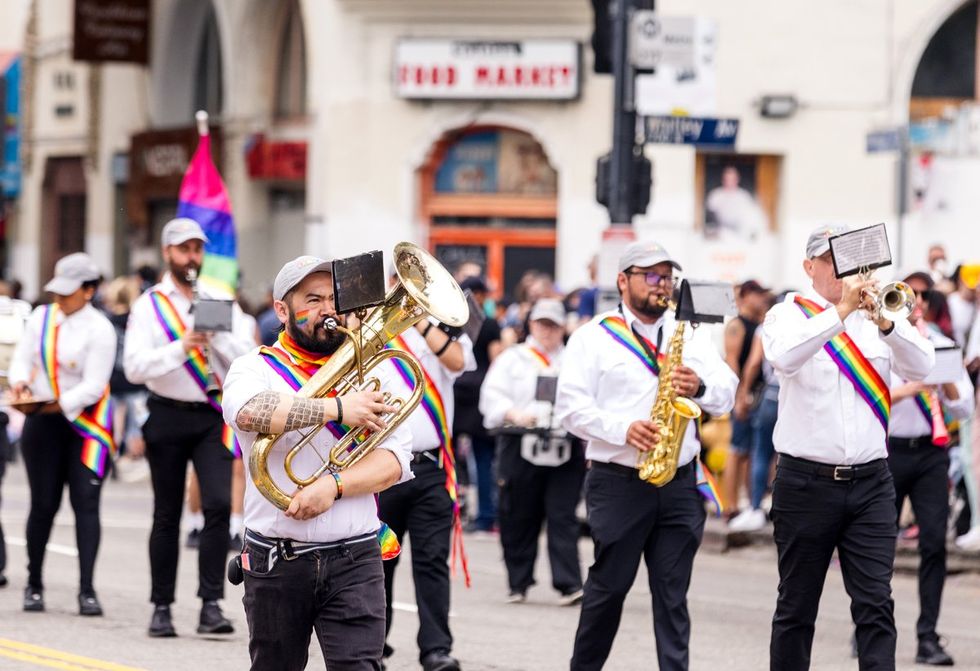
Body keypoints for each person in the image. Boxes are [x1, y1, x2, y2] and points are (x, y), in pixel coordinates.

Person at [221, 254, 411, 671]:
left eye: (333, 298)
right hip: (277, 559)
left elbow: (394, 460)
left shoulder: (373, 369)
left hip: (356, 556)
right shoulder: (255, 368)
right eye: (312, 299)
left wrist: (334, 486)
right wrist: (337, 408)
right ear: (282, 310)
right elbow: (249, 412)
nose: (328, 309)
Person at [556, 240, 737, 670]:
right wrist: (623, 429)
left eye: (668, 277)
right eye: (651, 276)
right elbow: (569, 409)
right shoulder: (592, 337)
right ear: (623, 281)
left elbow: (727, 391)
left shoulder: (689, 332)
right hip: (618, 481)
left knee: (673, 595)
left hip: (679, 481)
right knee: (608, 590)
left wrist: (702, 388)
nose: (662, 285)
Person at [760, 225, 934, 670]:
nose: (849, 272)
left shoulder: (879, 319)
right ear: (810, 268)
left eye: (854, 262)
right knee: (797, 608)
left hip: (871, 482)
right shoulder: (788, 315)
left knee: (876, 604)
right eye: (835, 262)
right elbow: (783, 357)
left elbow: (924, 365)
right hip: (805, 483)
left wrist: (886, 324)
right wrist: (839, 311)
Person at [123, 217, 256, 638]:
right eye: (184, 249)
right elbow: (134, 367)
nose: (192, 257)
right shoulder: (149, 305)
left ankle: (211, 604)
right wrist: (182, 346)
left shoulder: (219, 298)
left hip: (210, 415)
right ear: (168, 254)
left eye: (197, 249)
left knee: (217, 506)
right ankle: (161, 606)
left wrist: (214, 337)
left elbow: (248, 357)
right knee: (166, 513)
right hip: (165, 413)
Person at [8, 253, 116, 615]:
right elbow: (23, 358)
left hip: (84, 425)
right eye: (57, 291)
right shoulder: (42, 317)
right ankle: (33, 584)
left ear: (89, 290)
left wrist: (51, 402)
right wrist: (21, 382)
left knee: (86, 505)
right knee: (42, 505)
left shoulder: (100, 329)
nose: (59, 298)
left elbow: (94, 386)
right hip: (43, 423)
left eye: (68, 292)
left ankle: (87, 590)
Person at [380, 271, 475, 671]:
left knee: (432, 561)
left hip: (432, 467)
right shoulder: (377, 329)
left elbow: (457, 361)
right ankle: (371, 642)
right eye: (400, 284)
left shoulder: (447, 329)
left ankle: (436, 648)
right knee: (377, 559)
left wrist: (420, 319)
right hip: (381, 465)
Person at [887, 272, 973, 666]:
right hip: (886, 452)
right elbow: (868, 396)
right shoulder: (878, 344)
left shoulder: (940, 345)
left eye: (922, 295)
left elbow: (965, 409)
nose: (915, 300)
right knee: (874, 547)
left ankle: (928, 637)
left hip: (931, 454)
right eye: (908, 292)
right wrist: (911, 388)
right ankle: (868, 626)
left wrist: (947, 385)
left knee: (934, 544)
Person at [480, 297, 585, 605]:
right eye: (542, 324)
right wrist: (514, 413)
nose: (548, 331)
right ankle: (519, 580)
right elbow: (492, 398)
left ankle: (569, 583)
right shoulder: (514, 358)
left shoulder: (574, 360)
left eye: (554, 325)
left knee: (562, 516)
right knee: (518, 515)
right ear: (532, 325)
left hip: (563, 445)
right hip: (521, 443)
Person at [453, 275, 502, 534]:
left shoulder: (452, 321)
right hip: (480, 393)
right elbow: (496, 360)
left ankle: (451, 512)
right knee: (482, 458)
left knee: (448, 458)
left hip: (456, 391)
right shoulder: (490, 323)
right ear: (481, 295)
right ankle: (485, 516)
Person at [723, 279, 769, 528]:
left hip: (756, 395)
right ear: (747, 295)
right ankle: (729, 505)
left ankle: (747, 502)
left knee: (751, 452)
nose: (762, 299)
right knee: (737, 450)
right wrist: (739, 395)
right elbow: (733, 362)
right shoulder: (737, 325)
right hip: (742, 394)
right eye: (758, 295)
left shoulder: (758, 323)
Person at [704, 165, 767, 241]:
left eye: (732, 179)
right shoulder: (715, 194)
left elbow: (752, 215)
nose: (729, 182)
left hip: (741, 231)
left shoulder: (744, 195)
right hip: (722, 230)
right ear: (723, 180)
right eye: (727, 179)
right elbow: (710, 216)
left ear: (737, 179)